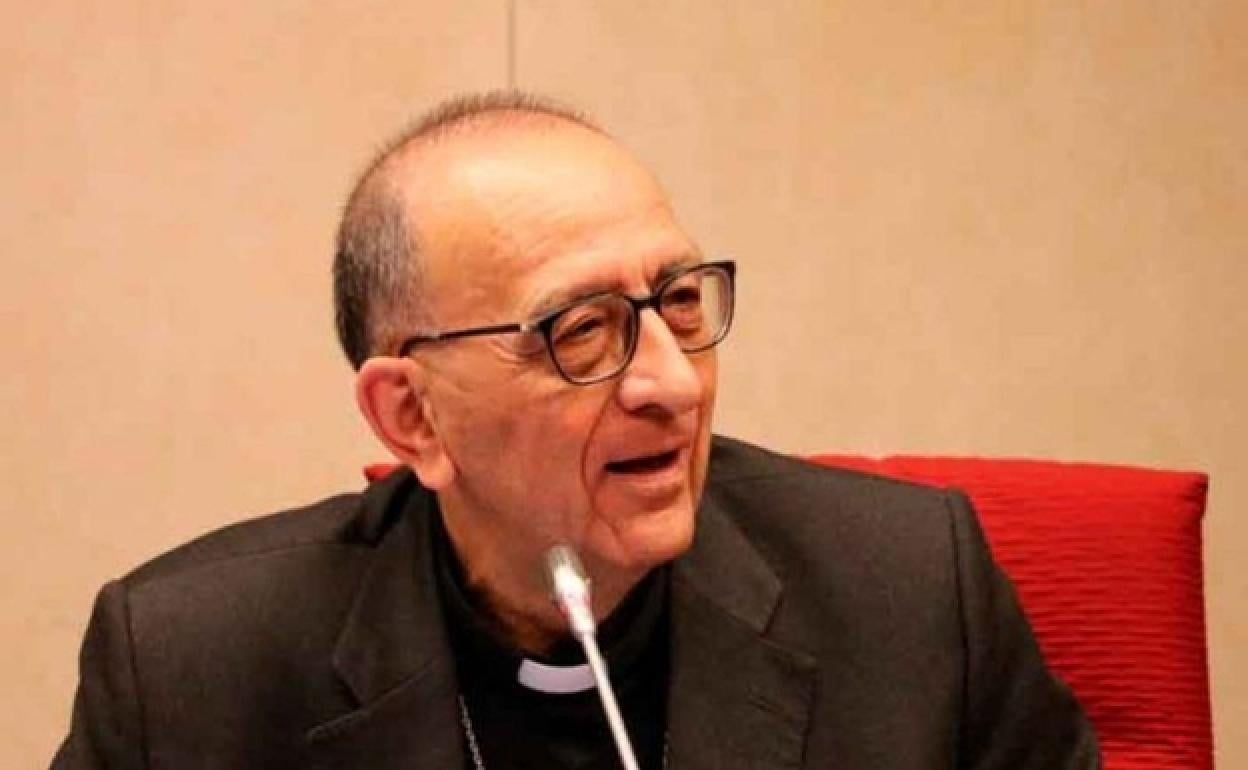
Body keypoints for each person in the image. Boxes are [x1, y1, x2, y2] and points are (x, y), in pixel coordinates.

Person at [52, 91, 1099, 769]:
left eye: (679, 301)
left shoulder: (912, 593)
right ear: (412, 414)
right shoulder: (188, 671)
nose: (673, 383)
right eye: (581, 331)